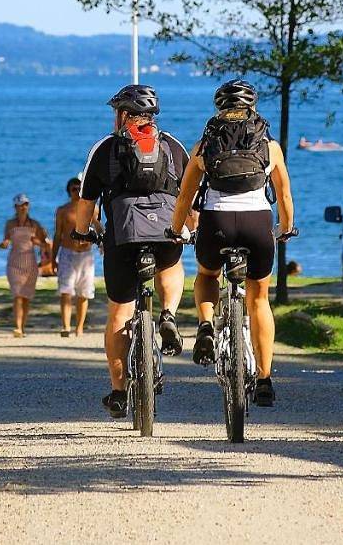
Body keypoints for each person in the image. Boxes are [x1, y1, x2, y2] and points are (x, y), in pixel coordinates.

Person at [169, 79, 295, 408]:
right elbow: (283, 194)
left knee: (207, 274)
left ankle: (206, 325)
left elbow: (184, 197)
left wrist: (175, 229)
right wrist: (286, 228)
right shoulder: (270, 146)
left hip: (217, 224)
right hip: (257, 223)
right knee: (259, 298)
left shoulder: (204, 145)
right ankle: (264, 380)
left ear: (219, 110)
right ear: (252, 108)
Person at [74, 84, 191, 418]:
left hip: (123, 237)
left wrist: (81, 233)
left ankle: (118, 391)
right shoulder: (172, 145)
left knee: (119, 313)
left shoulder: (106, 148)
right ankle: (168, 314)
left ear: (124, 115)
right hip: (165, 233)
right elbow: (189, 193)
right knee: (171, 265)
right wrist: (190, 229)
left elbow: (86, 201)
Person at [53, 177, 101, 337]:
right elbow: (58, 235)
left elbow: (98, 228)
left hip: (86, 256)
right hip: (67, 253)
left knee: (84, 293)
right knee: (66, 291)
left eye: (80, 189)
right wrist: (53, 258)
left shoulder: (92, 209)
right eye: (74, 189)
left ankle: (79, 327)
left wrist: (102, 245)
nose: (77, 192)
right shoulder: (63, 210)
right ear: (69, 191)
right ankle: (66, 326)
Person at [0, 193, 48, 338]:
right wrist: (4, 244)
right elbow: (6, 240)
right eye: (20, 205)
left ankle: (23, 326)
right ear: (15, 207)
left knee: (26, 296)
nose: (23, 207)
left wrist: (39, 240)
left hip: (30, 263)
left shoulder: (34, 224)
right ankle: (18, 327)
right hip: (14, 262)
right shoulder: (10, 224)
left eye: (25, 204)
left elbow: (43, 243)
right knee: (17, 294)